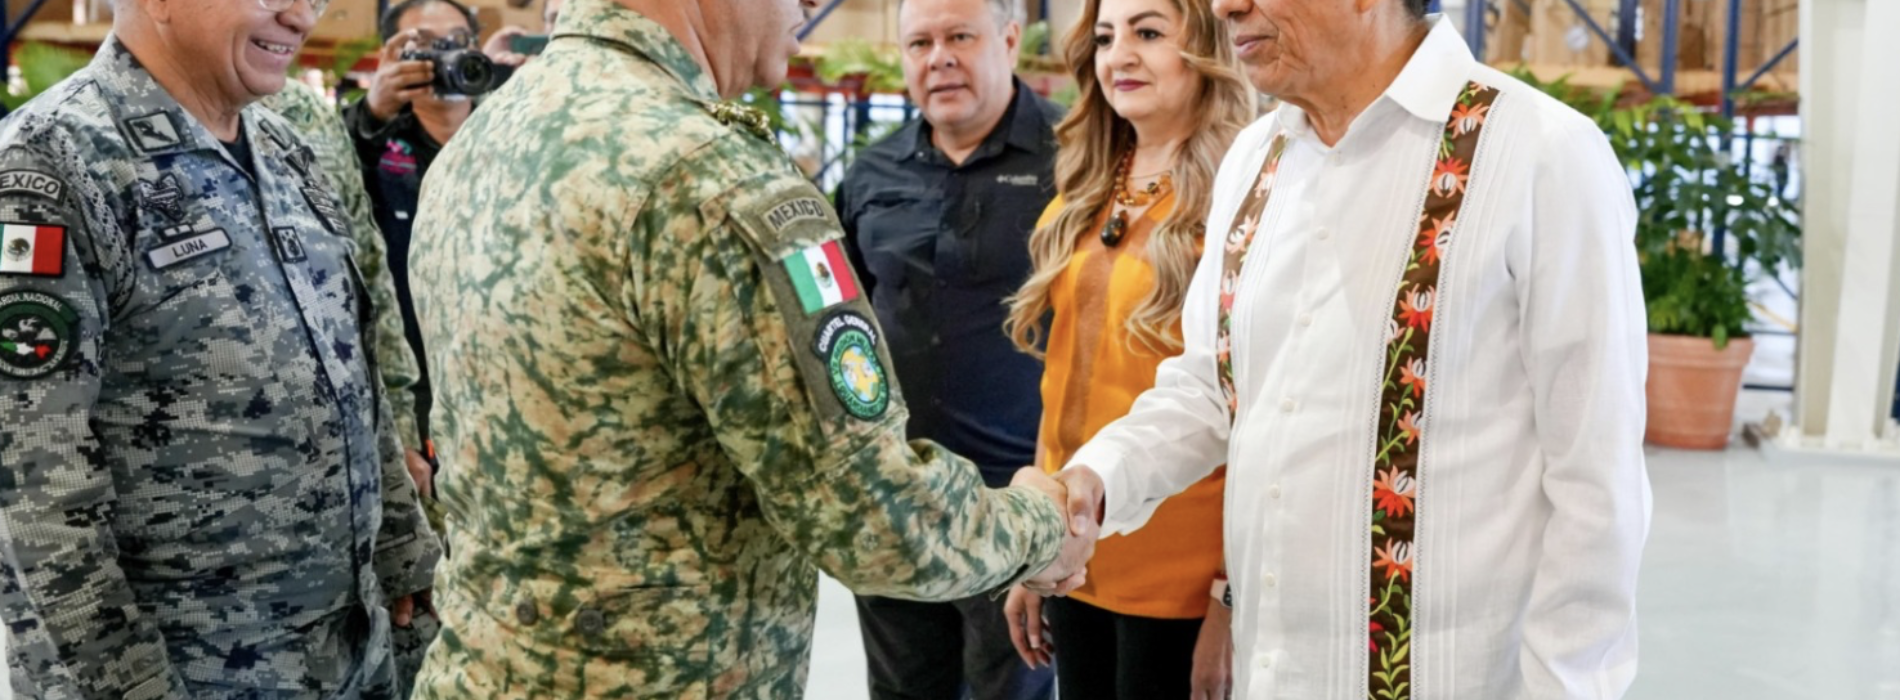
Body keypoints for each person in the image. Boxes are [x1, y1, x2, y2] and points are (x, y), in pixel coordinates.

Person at [404, 0, 1096, 697]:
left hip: (483, 666)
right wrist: (1040, 522)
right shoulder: (714, 179)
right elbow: (875, 520)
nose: (802, 7)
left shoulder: (481, 135)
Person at [1053, 0, 1653, 696]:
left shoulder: (1540, 155)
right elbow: (1210, 390)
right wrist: (1095, 480)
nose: (1225, 6)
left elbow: (1595, 477)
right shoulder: (1256, 160)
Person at [0, 0, 440, 695]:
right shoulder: (49, 165)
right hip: (187, 670)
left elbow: (352, 372)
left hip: (350, 653)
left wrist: (402, 552)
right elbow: (32, 485)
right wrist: (128, 682)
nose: (301, 15)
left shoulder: (287, 149)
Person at [997, 0, 1252, 698]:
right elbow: (1062, 385)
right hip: (1079, 556)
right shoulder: (1087, 187)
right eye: (1106, 37)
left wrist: (1230, 604)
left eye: (1148, 33)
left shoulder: (1243, 201)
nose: (1120, 55)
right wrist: (1035, 540)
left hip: (1183, 581)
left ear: (1206, 48)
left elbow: (1253, 418)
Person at [834, 0, 1061, 695]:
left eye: (960, 37)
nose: (939, 59)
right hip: (899, 498)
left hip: (1016, 503)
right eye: (920, 43)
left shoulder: (1078, 159)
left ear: (1011, 40)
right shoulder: (871, 175)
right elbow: (845, 322)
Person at [263, 79, 443, 699]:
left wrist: (399, 518)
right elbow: (40, 463)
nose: (297, 14)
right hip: (199, 622)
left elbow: (363, 276)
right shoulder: (59, 147)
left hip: (344, 593)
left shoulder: (295, 118)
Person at [344, 0, 523, 463]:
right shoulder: (370, 139)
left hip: (510, 368)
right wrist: (373, 110)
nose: (445, 57)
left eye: (457, 43)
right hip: (413, 372)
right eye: (424, 46)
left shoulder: (512, 126)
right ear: (391, 55)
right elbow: (328, 172)